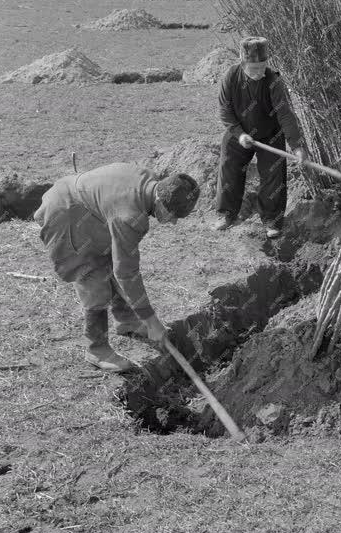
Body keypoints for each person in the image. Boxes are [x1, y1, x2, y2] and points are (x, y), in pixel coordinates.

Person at [34, 163, 200, 372]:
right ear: (159, 200)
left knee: (111, 262)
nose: (173, 222)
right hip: (65, 214)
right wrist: (151, 320)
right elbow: (127, 272)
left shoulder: (148, 180)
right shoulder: (130, 216)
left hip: (88, 211)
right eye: (172, 215)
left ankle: (126, 320)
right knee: (93, 279)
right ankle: (96, 348)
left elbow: (121, 263)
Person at [215, 36, 306, 238]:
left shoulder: (274, 81)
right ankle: (227, 214)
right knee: (229, 167)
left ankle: (272, 220)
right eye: (253, 68)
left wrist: (296, 146)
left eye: (262, 67)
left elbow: (285, 114)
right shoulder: (231, 77)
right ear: (243, 63)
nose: (259, 73)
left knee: (274, 177)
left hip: (269, 134)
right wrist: (239, 135)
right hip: (237, 130)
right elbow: (224, 111)